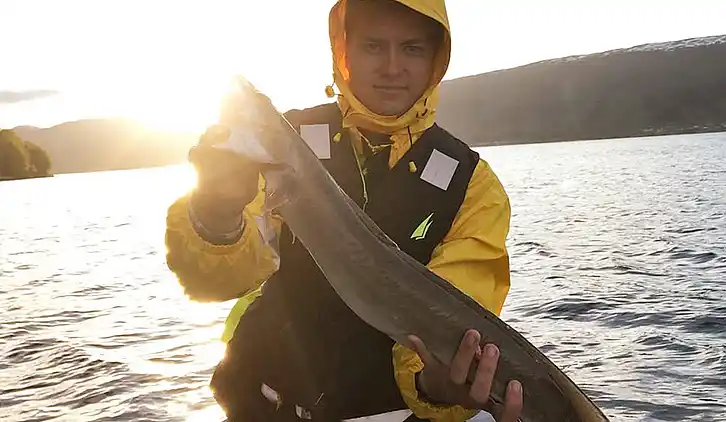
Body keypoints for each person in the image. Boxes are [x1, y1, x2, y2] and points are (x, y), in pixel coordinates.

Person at [164, 0, 522, 421]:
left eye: (411, 48)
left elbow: (458, 318)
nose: (392, 66)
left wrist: (436, 385)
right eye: (373, 46)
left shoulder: (473, 186)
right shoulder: (280, 148)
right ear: (343, 52)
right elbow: (214, 280)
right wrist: (217, 212)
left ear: (435, 59)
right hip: (264, 402)